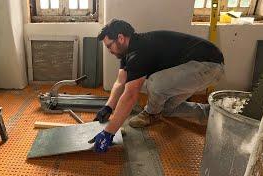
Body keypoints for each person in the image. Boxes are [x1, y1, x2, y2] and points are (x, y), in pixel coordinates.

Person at [89, 19, 224, 153]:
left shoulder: (139, 52)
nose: (109, 51)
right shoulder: (128, 52)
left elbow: (130, 95)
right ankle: (215, 115)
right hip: (194, 70)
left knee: (154, 82)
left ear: (120, 38)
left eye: (109, 46)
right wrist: (108, 107)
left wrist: (109, 132)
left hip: (208, 65)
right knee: (166, 109)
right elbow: (120, 82)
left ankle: (151, 113)